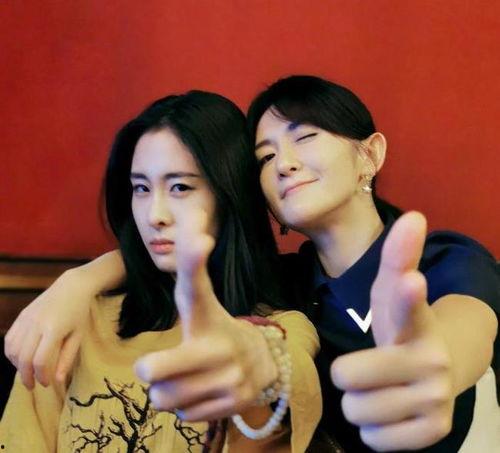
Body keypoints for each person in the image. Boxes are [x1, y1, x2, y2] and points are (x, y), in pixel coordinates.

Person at [5, 75, 500, 452]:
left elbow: (467, 324)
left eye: (305, 137)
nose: (284, 163)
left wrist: (437, 367)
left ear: (369, 153)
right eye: (264, 157)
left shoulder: (442, 258)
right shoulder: (287, 282)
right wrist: (76, 283)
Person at [0, 91, 323, 452]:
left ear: (230, 196)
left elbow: (278, 365)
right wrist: (78, 282)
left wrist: (255, 360)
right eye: (141, 188)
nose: (155, 215)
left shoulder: (286, 329)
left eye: (180, 187)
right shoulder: (78, 320)